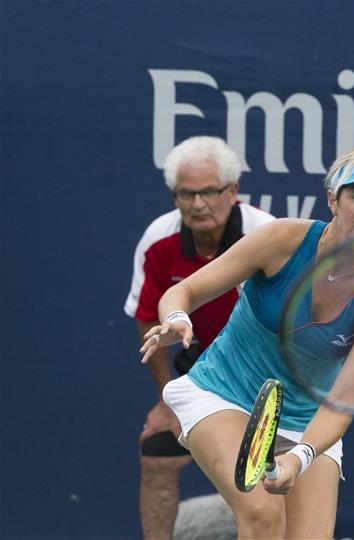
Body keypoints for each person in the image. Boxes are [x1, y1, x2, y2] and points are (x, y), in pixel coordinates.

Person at [139, 144, 354, 539]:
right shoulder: (282, 240)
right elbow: (184, 292)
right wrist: (176, 318)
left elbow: (341, 403)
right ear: (333, 200)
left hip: (308, 422)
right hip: (223, 393)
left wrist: (301, 456)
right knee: (263, 514)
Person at [125, 135, 275, 539]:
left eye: (208, 192)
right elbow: (148, 321)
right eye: (186, 194)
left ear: (233, 190)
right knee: (156, 454)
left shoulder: (267, 235)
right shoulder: (159, 239)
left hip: (265, 376)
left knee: (268, 484)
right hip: (201, 373)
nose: (197, 204)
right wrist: (166, 400)